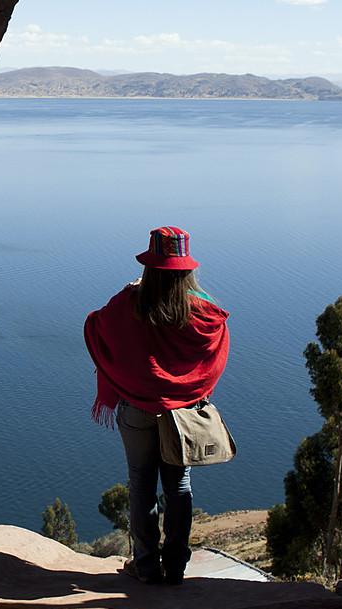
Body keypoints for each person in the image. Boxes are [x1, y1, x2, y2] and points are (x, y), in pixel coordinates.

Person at [83, 226, 231, 585]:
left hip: (136, 409)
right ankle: (176, 566)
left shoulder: (128, 303)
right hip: (182, 414)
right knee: (178, 485)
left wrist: (129, 290)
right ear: (186, 270)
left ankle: (146, 566)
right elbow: (217, 340)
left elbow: (96, 326)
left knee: (141, 484)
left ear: (149, 266)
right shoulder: (201, 310)